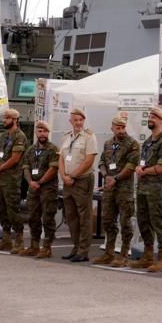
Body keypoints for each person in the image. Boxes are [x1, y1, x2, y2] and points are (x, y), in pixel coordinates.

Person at [95, 113, 140, 267]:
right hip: (109, 188)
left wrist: (116, 178)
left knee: (125, 221)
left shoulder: (132, 144)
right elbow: (101, 162)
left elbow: (130, 166)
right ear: (112, 128)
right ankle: (109, 252)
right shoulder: (108, 144)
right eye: (118, 128)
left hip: (124, 188)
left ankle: (124, 254)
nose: (120, 131)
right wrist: (106, 175)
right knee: (107, 220)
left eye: (123, 128)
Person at [133, 108, 162, 271]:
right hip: (143, 188)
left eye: (154, 117)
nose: (150, 119)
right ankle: (148, 255)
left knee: (158, 223)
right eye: (149, 116)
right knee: (143, 222)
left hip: (157, 189)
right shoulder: (147, 141)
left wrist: (145, 171)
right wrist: (138, 168)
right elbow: (144, 162)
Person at [59, 108, 100, 262]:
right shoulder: (66, 137)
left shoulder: (89, 136)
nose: (78, 123)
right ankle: (75, 247)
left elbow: (89, 159)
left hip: (82, 180)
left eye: (80, 120)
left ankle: (84, 251)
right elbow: (61, 158)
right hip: (68, 181)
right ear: (71, 121)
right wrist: (64, 176)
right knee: (71, 217)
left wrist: (73, 176)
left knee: (84, 216)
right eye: (75, 120)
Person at [0, 109, 27, 252]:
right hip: (0, 179)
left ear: (15, 119)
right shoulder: (4, 135)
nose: (4, 120)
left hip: (11, 179)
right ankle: (6, 239)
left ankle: (19, 239)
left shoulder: (20, 136)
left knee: (13, 210)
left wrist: (0, 168)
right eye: (4, 118)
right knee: (0, 209)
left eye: (7, 118)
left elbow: (15, 158)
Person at [23, 120, 60, 257]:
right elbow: (26, 167)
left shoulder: (52, 149)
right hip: (33, 187)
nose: (42, 134)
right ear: (36, 133)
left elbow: (53, 168)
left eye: (44, 131)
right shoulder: (31, 150)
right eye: (40, 131)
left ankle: (47, 247)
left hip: (48, 188)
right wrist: (30, 182)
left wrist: (40, 181)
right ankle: (34, 245)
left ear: (48, 133)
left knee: (48, 218)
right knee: (33, 216)